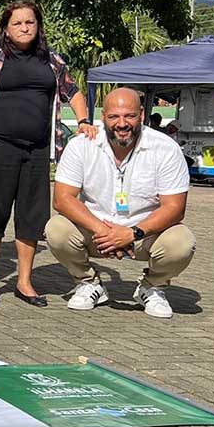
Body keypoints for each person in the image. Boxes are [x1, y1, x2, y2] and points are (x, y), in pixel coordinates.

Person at [0, 0, 97, 305]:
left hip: (38, 151)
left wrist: (84, 121)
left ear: (38, 26)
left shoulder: (51, 61)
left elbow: (73, 91)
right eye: (17, 23)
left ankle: (25, 282)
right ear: (6, 30)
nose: (25, 28)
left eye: (30, 22)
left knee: (31, 217)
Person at [46, 88, 195, 319]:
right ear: (103, 116)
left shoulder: (165, 148)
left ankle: (152, 287)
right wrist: (104, 231)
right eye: (114, 116)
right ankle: (88, 282)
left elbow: (175, 208)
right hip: (98, 234)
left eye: (130, 116)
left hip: (144, 235)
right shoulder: (81, 145)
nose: (122, 123)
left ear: (142, 114)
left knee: (182, 242)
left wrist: (132, 233)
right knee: (56, 229)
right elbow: (62, 199)